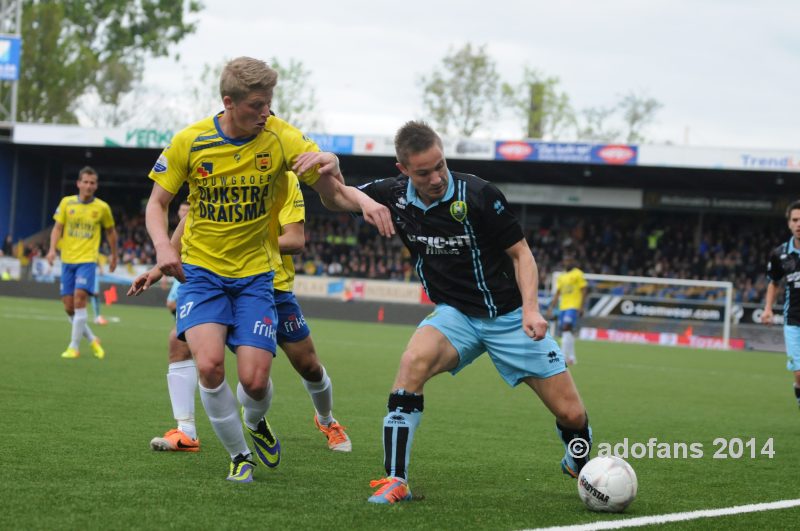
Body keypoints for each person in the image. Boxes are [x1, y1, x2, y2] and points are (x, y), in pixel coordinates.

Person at [144, 56, 390, 482]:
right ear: (229, 102)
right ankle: (239, 456)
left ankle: (256, 422)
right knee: (209, 366)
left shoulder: (282, 138)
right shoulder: (190, 141)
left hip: (257, 276)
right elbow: (157, 204)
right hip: (202, 274)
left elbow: (332, 194)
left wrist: (364, 200)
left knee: (255, 383)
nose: (266, 112)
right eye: (257, 104)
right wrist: (164, 249)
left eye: (270, 102)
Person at [351, 121, 592, 504]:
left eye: (440, 166)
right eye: (424, 172)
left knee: (573, 415)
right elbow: (338, 196)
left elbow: (521, 253)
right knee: (412, 362)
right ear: (404, 171)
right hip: (456, 316)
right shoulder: (393, 195)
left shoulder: (480, 195)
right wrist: (338, 178)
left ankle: (577, 458)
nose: (435, 178)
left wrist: (531, 308)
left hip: (510, 317)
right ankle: (395, 480)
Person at [46, 166, 117, 360]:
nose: (88, 185)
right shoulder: (66, 203)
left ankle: (74, 346)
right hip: (67, 261)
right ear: (78, 183)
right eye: (85, 181)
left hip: (87, 260)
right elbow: (57, 228)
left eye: (92, 183)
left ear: (96, 186)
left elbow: (111, 232)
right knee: (69, 307)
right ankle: (93, 339)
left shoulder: (102, 208)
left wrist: (114, 256)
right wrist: (52, 249)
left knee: (79, 300)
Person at [761, 199, 800, 409]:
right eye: (795, 220)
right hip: (793, 319)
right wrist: (768, 308)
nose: (799, 224)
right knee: (799, 373)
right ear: (789, 223)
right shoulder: (780, 254)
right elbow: (774, 282)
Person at [546, 254, 588, 365]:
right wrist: (551, 307)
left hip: (573, 306)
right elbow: (557, 293)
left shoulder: (578, 274)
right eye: (566, 261)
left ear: (573, 262)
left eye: (569, 260)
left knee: (566, 328)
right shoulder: (561, 277)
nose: (567, 262)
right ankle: (572, 357)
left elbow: (584, 290)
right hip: (563, 307)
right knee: (567, 331)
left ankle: (563, 357)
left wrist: (582, 307)